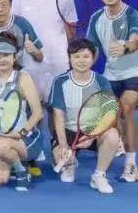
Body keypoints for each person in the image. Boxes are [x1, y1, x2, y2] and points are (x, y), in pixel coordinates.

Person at [86, 0, 138, 182]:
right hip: (111, 72)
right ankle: (117, 140)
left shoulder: (132, 14)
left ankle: (131, 164)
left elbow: (135, 40)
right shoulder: (96, 18)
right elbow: (92, 50)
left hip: (135, 69)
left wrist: (125, 48)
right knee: (111, 114)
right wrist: (82, 66)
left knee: (126, 106)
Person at [49, 39, 122, 194]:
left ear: (93, 58)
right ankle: (69, 164)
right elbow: (58, 115)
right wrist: (63, 145)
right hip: (69, 131)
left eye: (85, 56)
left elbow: (109, 114)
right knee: (60, 156)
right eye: (76, 56)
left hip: (94, 130)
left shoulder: (101, 81)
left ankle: (99, 176)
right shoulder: (60, 81)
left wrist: (92, 135)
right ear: (69, 59)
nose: (81, 60)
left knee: (112, 136)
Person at [0, 33, 44, 192]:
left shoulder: (23, 78)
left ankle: (21, 171)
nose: (1, 59)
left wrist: (21, 133)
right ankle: (15, 162)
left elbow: (38, 113)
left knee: (0, 146)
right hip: (1, 138)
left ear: (15, 57)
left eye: (6, 55)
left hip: (26, 138)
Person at [12, 0, 74, 109]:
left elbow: (71, 32)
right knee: (31, 109)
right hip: (29, 63)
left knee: (57, 109)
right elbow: (14, 30)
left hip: (58, 63)